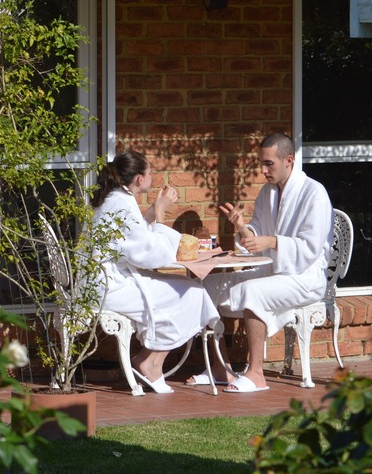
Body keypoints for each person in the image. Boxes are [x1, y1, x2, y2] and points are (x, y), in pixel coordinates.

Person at [201, 132, 333, 393]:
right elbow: (256, 237)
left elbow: (310, 248)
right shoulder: (268, 192)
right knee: (207, 284)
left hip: (305, 277)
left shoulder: (314, 193)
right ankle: (219, 367)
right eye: (261, 163)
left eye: (268, 164)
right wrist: (241, 227)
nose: (262, 170)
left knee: (253, 291)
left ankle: (256, 374)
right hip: (272, 269)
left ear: (289, 160)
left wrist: (272, 242)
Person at [91, 151, 222, 393]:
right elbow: (150, 254)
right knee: (193, 291)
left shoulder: (116, 198)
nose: (153, 177)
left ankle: (149, 359)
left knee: (184, 288)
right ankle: (150, 362)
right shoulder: (120, 203)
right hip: (112, 287)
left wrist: (154, 209)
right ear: (140, 179)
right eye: (150, 173)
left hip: (106, 281)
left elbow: (134, 235)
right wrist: (161, 213)